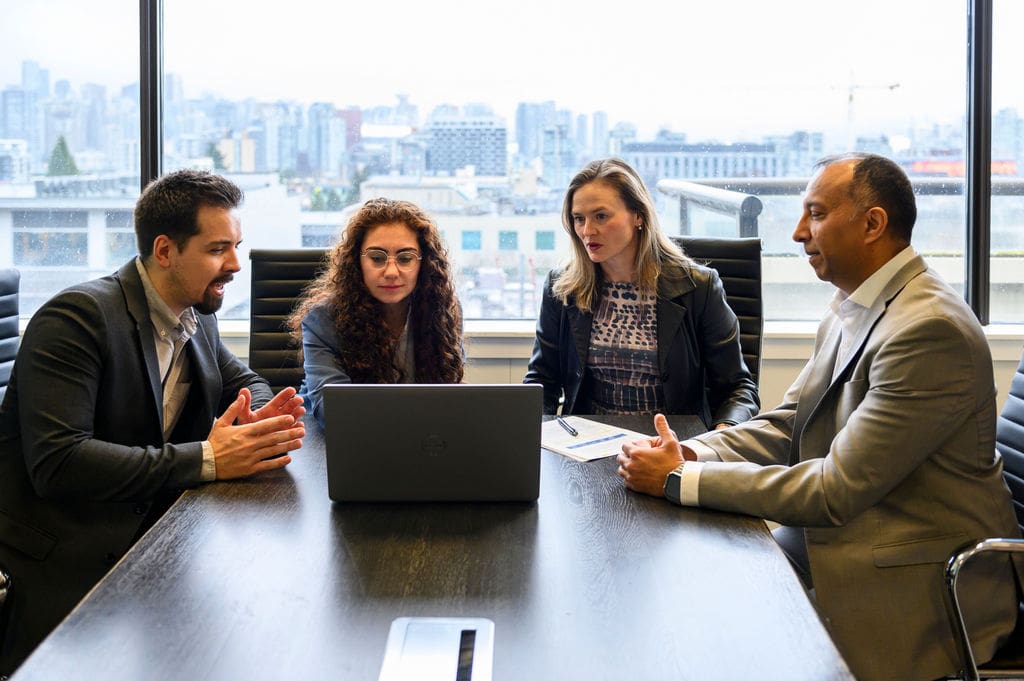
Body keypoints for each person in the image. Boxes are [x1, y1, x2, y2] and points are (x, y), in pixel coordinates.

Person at [617, 153, 1020, 681]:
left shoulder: (928, 330)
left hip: (925, 582)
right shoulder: (855, 303)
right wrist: (694, 452)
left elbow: (835, 490)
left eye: (816, 214)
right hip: (851, 540)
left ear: (873, 224)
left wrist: (678, 480)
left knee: (707, 633)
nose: (798, 232)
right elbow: (791, 422)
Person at [0, 169, 306, 675]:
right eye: (217, 249)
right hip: (69, 551)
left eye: (236, 246)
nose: (234, 264)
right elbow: (60, 463)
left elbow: (244, 380)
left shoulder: (195, 314)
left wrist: (252, 420)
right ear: (165, 251)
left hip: (154, 534)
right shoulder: (77, 319)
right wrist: (210, 458)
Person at [524, 158, 758, 429]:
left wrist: (719, 437)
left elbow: (738, 389)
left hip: (671, 445)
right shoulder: (563, 287)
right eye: (579, 219)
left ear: (638, 215)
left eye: (601, 216)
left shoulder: (698, 287)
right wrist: (539, 436)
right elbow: (541, 382)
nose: (587, 231)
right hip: (587, 445)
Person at [289, 197, 464, 426]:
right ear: (356, 261)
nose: (391, 271)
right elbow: (333, 411)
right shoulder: (323, 319)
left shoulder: (444, 310)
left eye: (405, 258)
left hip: (420, 437)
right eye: (377, 258)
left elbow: (449, 396)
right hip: (337, 441)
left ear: (424, 263)